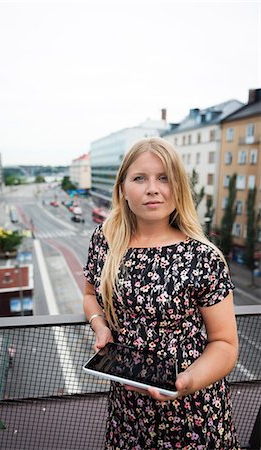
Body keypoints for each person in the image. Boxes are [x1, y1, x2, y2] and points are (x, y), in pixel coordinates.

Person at [83, 137, 240, 449]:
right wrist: (100, 325)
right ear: (123, 189)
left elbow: (225, 344)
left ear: (177, 187)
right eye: (140, 178)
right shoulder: (106, 242)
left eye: (163, 177)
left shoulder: (202, 256)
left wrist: (185, 383)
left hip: (193, 412)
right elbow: (89, 294)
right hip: (128, 408)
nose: (152, 188)